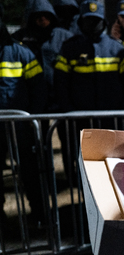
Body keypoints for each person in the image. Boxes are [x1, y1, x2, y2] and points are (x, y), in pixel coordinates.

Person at [54, 0, 124, 182]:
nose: (92, 25)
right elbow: (60, 83)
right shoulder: (70, 48)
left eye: (96, 21)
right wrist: (69, 111)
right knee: (83, 166)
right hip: (80, 120)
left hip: (110, 120)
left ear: (103, 21)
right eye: (88, 20)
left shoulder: (116, 48)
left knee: (109, 166)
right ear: (81, 21)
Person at [0, 4, 47, 226]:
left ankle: (39, 216)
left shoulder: (21, 53)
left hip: (20, 128)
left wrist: (32, 120)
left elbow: (38, 91)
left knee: (30, 173)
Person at [12, 0, 74, 114]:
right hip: (33, 96)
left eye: (46, 15)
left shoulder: (64, 36)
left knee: (66, 129)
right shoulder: (21, 37)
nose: (42, 19)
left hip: (60, 95)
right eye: (38, 16)